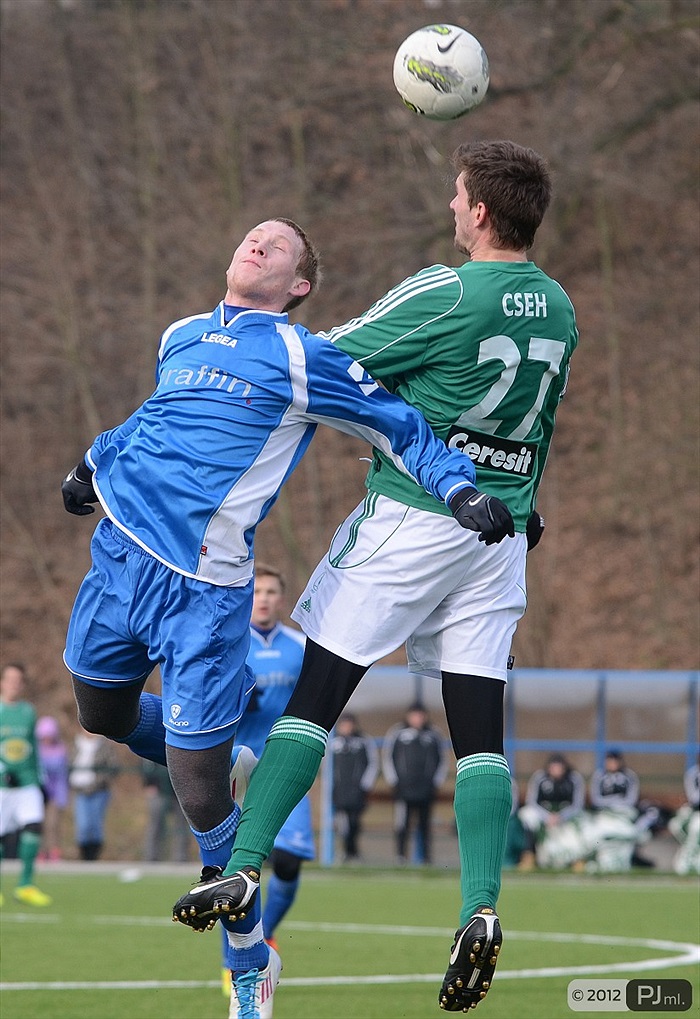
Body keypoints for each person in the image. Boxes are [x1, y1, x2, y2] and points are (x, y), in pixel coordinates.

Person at [60, 217, 510, 1018]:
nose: (258, 242)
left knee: (201, 794)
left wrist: (457, 486)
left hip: (203, 593)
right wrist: (94, 461)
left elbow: (396, 421)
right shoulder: (181, 334)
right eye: (253, 235)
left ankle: (250, 963)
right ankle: (220, 744)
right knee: (100, 712)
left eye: (279, 245)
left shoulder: (302, 355)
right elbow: (154, 416)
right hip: (118, 560)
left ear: (299, 285)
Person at [177, 141, 579, 1013]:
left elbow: (323, 361)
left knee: (316, 696)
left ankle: (242, 866)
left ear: (479, 211)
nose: (451, 206)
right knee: (480, 731)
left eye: (458, 195)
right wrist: (524, 498)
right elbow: (537, 424)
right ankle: (480, 906)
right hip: (499, 535)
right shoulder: (559, 306)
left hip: (415, 516)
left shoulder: (446, 290)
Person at [220, 564, 315, 998]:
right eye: (257, 591)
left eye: (271, 592)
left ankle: (265, 932)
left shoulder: (301, 647)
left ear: (281, 598)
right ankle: (234, 961)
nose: (263, 598)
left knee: (289, 860)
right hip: (236, 766)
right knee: (235, 869)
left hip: (283, 765)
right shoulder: (229, 643)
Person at [0, 663, 52, 906]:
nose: (14, 684)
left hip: (28, 782)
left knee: (33, 828)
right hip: (2, 786)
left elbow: (34, 750)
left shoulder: (28, 712)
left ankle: (25, 885)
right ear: (2, 682)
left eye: (18, 680)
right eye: (10, 679)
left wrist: (42, 781)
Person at [382, 703, 447, 865]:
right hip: (404, 789)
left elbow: (442, 760)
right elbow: (388, 757)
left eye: (420, 715)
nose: (417, 718)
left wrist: (436, 782)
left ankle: (426, 858)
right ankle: (401, 856)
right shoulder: (397, 733)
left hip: (426, 789)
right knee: (402, 823)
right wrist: (394, 781)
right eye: (414, 715)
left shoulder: (434, 735)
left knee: (425, 825)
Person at [517, 752, 586, 869]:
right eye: (554, 767)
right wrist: (547, 816)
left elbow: (578, 804)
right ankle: (529, 854)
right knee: (526, 815)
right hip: (544, 814)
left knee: (583, 822)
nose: (556, 770)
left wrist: (561, 816)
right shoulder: (540, 777)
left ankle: (578, 858)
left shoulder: (574, 778)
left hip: (566, 816)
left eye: (559, 767)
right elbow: (531, 801)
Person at [330, 712, 378, 862]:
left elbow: (372, 763)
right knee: (341, 823)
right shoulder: (332, 742)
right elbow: (326, 766)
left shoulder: (364, 741)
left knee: (354, 822)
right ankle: (344, 851)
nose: (347, 727)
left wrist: (364, 784)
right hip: (338, 790)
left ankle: (353, 852)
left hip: (357, 790)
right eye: (344, 724)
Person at [70, 728, 118, 860]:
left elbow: (112, 766)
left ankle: (94, 856)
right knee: (83, 824)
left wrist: (100, 779)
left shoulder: (104, 746)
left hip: (99, 790)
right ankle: (84, 855)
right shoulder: (76, 744)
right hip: (80, 790)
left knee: (95, 824)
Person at [141, 760, 193, 863]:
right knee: (155, 825)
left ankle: (180, 857)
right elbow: (146, 764)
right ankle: (151, 856)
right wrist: (149, 783)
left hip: (180, 793)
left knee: (181, 826)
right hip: (160, 791)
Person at [35, 715, 71, 861]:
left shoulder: (60, 750)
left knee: (52, 824)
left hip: (55, 793)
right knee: (39, 823)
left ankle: (54, 851)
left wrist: (62, 796)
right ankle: (40, 851)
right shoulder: (35, 750)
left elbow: (62, 775)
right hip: (39, 792)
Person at [669, 758, 700, 875]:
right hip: (694, 810)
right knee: (675, 825)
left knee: (696, 826)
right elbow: (693, 798)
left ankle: (691, 858)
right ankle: (689, 852)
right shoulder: (693, 774)